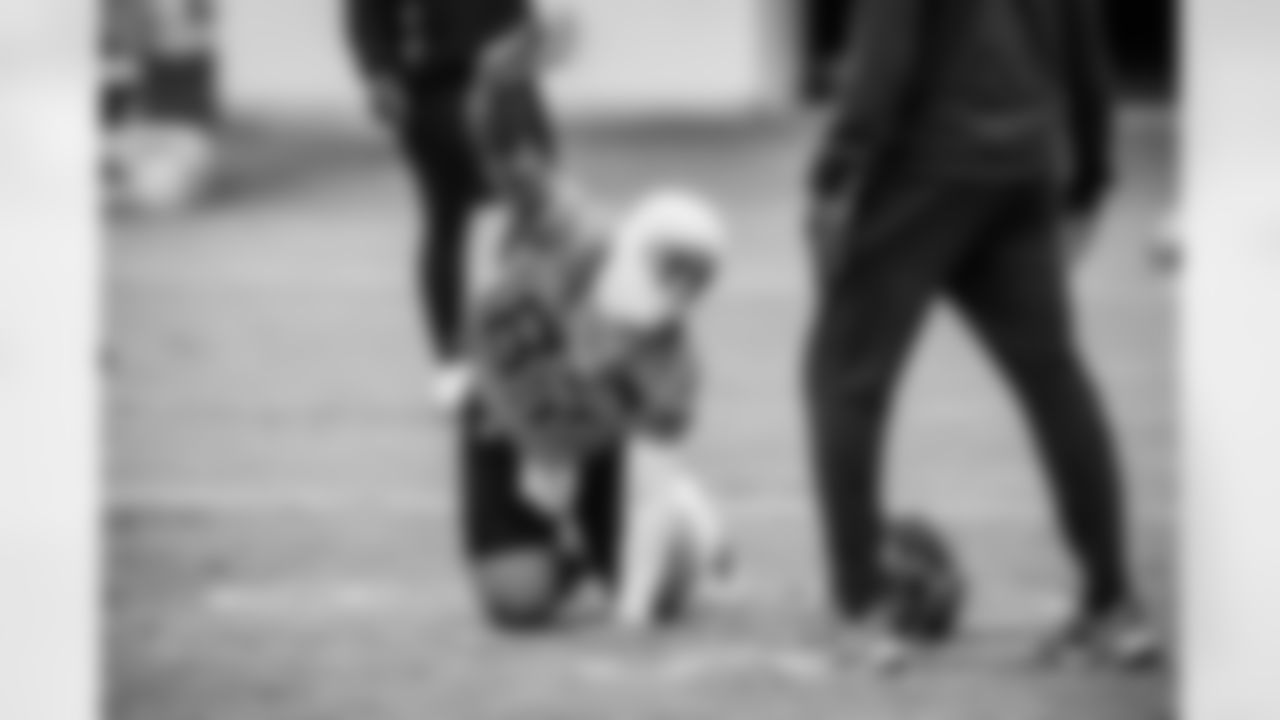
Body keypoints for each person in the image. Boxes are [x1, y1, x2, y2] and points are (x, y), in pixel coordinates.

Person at [804, 0, 1160, 667]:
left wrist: (836, 173)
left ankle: (859, 614)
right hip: (1025, 166)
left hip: (920, 167)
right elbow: (1087, 45)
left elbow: (886, 49)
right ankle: (1114, 609)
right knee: (1054, 376)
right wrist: (1090, 177)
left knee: (844, 377)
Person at [344, 0, 556, 408]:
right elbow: (366, 13)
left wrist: (531, 37)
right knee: (446, 213)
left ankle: (535, 346)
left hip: (507, 79)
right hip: (433, 83)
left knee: (540, 213)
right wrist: (378, 72)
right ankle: (450, 359)